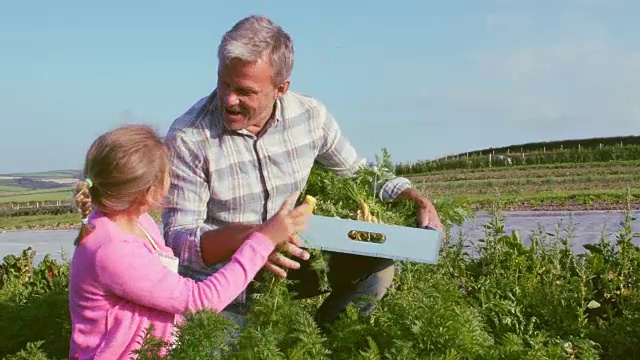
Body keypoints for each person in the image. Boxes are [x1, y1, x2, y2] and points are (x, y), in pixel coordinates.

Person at [162, 15, 443, 328]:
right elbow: (180, 243)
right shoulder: (189, 137)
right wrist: (256, 241)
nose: (228, 99)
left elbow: (359, 173)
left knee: (376, 268)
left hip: (288, 261)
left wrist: (412, 196)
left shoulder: (309, 116)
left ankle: (324, 340)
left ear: (281, 88)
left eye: (245, 91)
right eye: (223, 82)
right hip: (223, 282)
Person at [67, 124, 311, 360]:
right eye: (168, 174)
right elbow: (200, 301)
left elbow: (161, 284)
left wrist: (257, 237)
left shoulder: (137, 221)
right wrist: (263, 240)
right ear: (150, 192)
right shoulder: (112, 250)